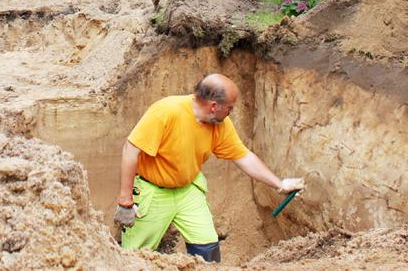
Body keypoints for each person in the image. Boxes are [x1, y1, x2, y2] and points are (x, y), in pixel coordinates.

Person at [114, 73, 305, 262]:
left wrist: (280, 184)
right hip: (153, 190)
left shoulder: (220, 125)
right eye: (229, 108)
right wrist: (125, 201)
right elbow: (131, 150)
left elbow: (243, 157)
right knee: (133, 255)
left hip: (187, 190)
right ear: (214, 106)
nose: (231, 112)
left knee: (208, 247)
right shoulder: (166, 111)